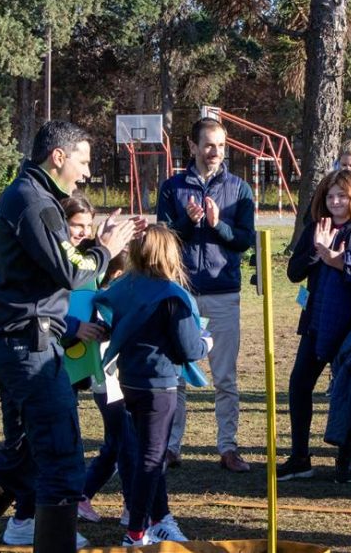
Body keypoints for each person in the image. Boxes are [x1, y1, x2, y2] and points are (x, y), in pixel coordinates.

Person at [0, 120, 137, 553]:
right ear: (57, 157)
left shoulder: (33, 197)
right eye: (82, 161)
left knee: (20, 461)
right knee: (61, 464)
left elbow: (57, 268)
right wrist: (105, 248)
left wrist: (96, 247)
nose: (86, 173)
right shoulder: (34, 202)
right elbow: (72, 271)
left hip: (24, 346)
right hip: (31, 351)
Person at [95, 225, 212, 546]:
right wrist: (208, 343)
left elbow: (99, 300)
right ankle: (136, 531)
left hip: (128, 382)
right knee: (151, 457)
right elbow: (189, 348)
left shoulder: (125, 286)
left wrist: (106, 329)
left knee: (150, 454)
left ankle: (161, 519)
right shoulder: (172, 295)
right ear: (170, 255)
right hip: (159, 387)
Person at [2, 192, 107, 548]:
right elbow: (51, 298)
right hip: (38, 354)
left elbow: (84, 285)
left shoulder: (79, 252)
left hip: (66, 360)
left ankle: (26, 518)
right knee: (43, 447)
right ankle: (28, 520)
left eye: (88, 227)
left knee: (42, 445)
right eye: (77, 226)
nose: (83, 233)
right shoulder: (54, 252)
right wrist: (75, 327)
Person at [277, 170, 351, 482]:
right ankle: (300, 456)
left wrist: (340, 259)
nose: (336, 201)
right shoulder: (317, 227)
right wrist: (317, 251)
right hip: (317, 319)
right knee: (300, 384)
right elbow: (294, 272)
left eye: (342, 195)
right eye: (330, 196)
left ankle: (345, 461)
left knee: (346, 389)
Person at [157, 117, 256, 473]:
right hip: (181, 292)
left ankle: (228, 447)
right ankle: (171, 446)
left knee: (225, 377)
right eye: (209, 145)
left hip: (223, 292)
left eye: (221, 146)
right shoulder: (172, 187)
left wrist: (217, 225)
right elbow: (163, 238)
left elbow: (245, 239)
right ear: (194, 146)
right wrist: (187, 222)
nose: (215, 152)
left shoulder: (240, 188)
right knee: (177, 374)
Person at [76, 251, 136, 528]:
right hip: (110, 380)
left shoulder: (105, 294)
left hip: (109, 380)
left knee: (115, 442)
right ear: (118, 275)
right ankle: (131, 504)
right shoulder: (107, 298)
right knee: (126, 442)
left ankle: (82, 493)